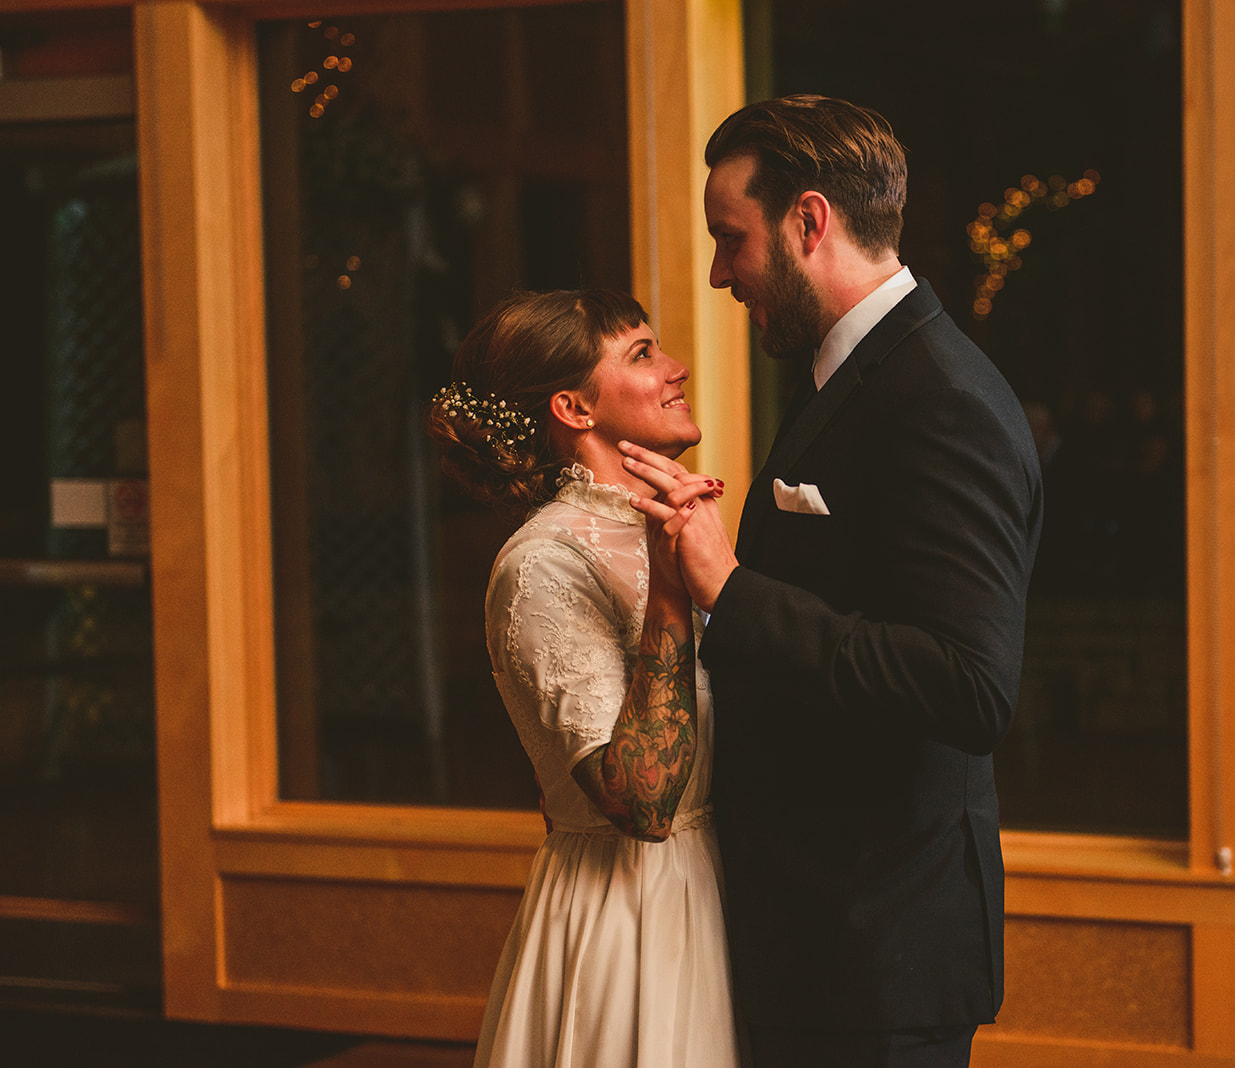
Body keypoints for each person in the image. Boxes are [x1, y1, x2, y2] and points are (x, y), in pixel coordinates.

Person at [627, 95, 1043, 1068]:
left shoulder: (940, 400)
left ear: (809, 222)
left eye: (731, 238)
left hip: (877, 949)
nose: (721, 272)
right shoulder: (849, 375)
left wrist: (730, 587)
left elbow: (968, 685)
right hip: (818, 937)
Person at [426, 289, 738, 1068]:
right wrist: (669, 594)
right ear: (573, 407)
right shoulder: (542, 564)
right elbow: (641, 799)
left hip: (723, 894)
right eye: (641, 354)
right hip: (627, 918)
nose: (676, 368)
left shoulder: (679, 528)